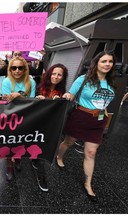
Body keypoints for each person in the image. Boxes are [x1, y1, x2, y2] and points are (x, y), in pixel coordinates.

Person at [56, 50, 116, 202]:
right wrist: (68, 95)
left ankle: (88, 184)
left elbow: (105, 103)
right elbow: (70, 94)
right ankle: (59, 156)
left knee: (91, 152)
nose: (107, 64)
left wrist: (105, 119)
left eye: (110, 61)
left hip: (99, 120)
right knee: (69, 142)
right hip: (81, 117)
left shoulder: (111, 83)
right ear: (96, 63)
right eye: (104, 61)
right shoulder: (83, 79)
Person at [33, 63, 68, 192]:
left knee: (43, 148)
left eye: (59, 75)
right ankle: (35, 160)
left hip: (51, 125)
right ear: (49, 74)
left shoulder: (62, 91)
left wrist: (62, 99)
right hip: (37, 122)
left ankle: (41, 175)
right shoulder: (39, 87)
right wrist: (38, 99)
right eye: (54, 73)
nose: (56, 77)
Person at [1, 56, 36, 181]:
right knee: (8, 143)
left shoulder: (31, 82)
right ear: (10, 69)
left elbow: (32, 101)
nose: (17, 70)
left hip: (25, 117)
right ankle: (9, 165)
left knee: (20, 141)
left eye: (20, 67)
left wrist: (19, 96)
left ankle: (18, 158)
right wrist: (19, 97)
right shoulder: (6, 82)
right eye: (13, 68)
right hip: (9, 118)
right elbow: (6, 102)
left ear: (25, 69)